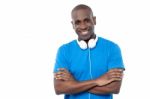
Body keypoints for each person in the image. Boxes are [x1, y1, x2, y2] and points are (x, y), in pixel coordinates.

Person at [53, 4, 125, 99]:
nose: (83, 26)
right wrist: (97, 81)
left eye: (87, 20)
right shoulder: (64, 51)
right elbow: (59, 88)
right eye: (78, 22)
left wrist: (74, 84)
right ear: (73, 25)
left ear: (94, 20)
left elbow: (115, 88)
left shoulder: (112, 48)